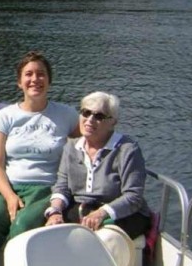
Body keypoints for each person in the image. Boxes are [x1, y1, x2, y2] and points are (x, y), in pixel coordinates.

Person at [0, 51, 79, 266]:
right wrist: (9, 197)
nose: (35, 79)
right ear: (19, 82)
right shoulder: (6, 116)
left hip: (46, 189)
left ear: (49, 80)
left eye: (41, 74)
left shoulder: (66, 115)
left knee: (22, 228)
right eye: (29, 74)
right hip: (6, 187)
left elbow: (91, 142)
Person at [45, 91, 151, 240]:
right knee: (50, 232)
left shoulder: (127, 149)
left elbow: (133, 196)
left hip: (123, 213)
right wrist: (55, 211)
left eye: (99, 116)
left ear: (112, 122)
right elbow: (62, 187)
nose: (90, 120)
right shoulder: (71, 147)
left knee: (102, 239)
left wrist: (102, 213)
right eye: (86, 113)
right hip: (83, 207)